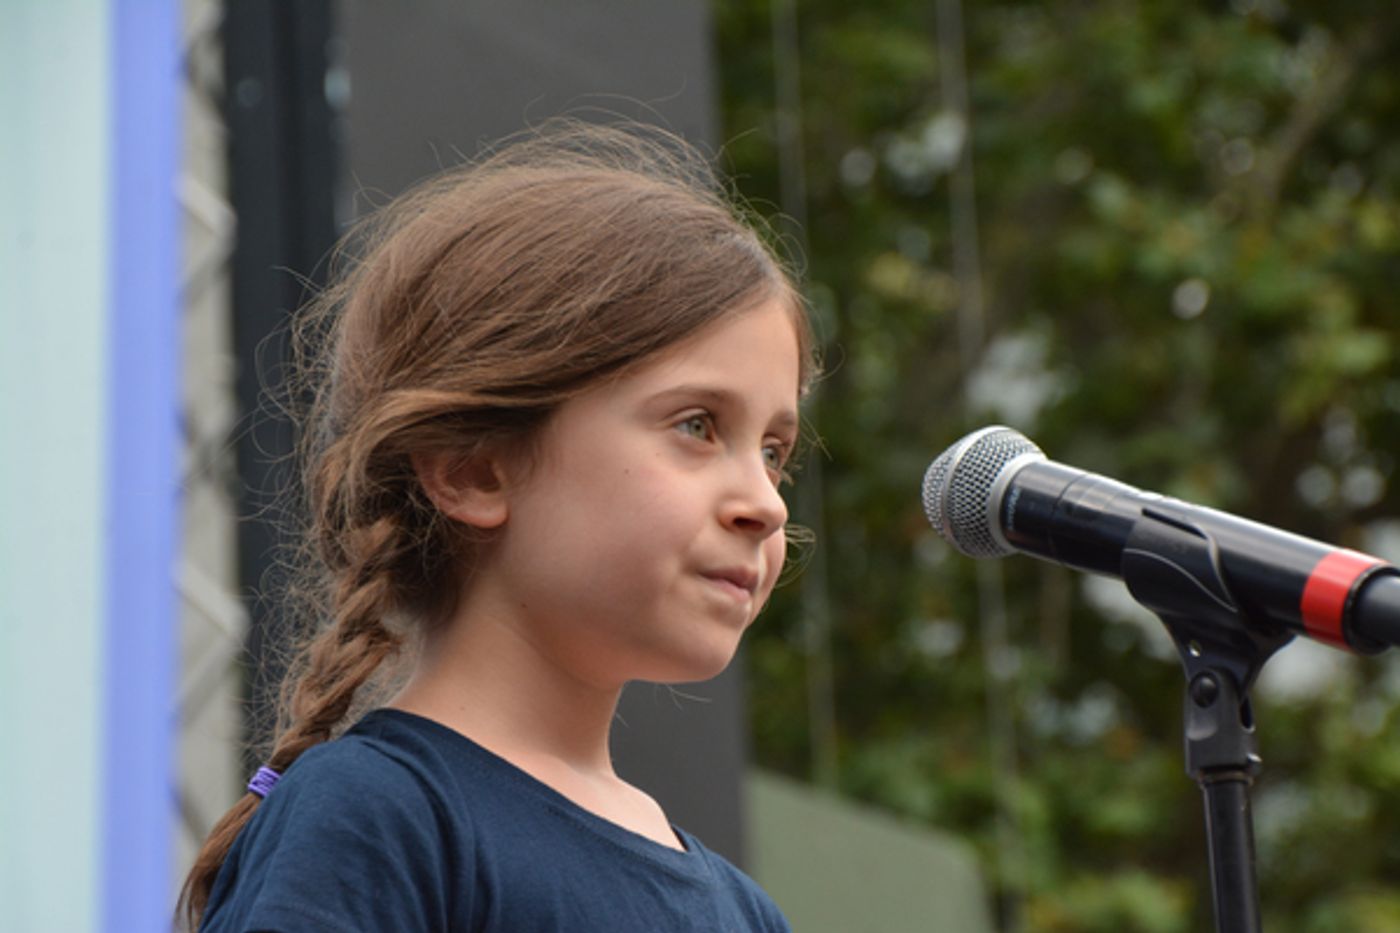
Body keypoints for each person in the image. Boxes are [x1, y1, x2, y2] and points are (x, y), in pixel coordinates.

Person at [179, 119, 819, 932]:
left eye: (775, 451)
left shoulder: (746, 912)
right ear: (473, 467)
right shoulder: (379, 816)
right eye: (697, 425)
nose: (765, 501)